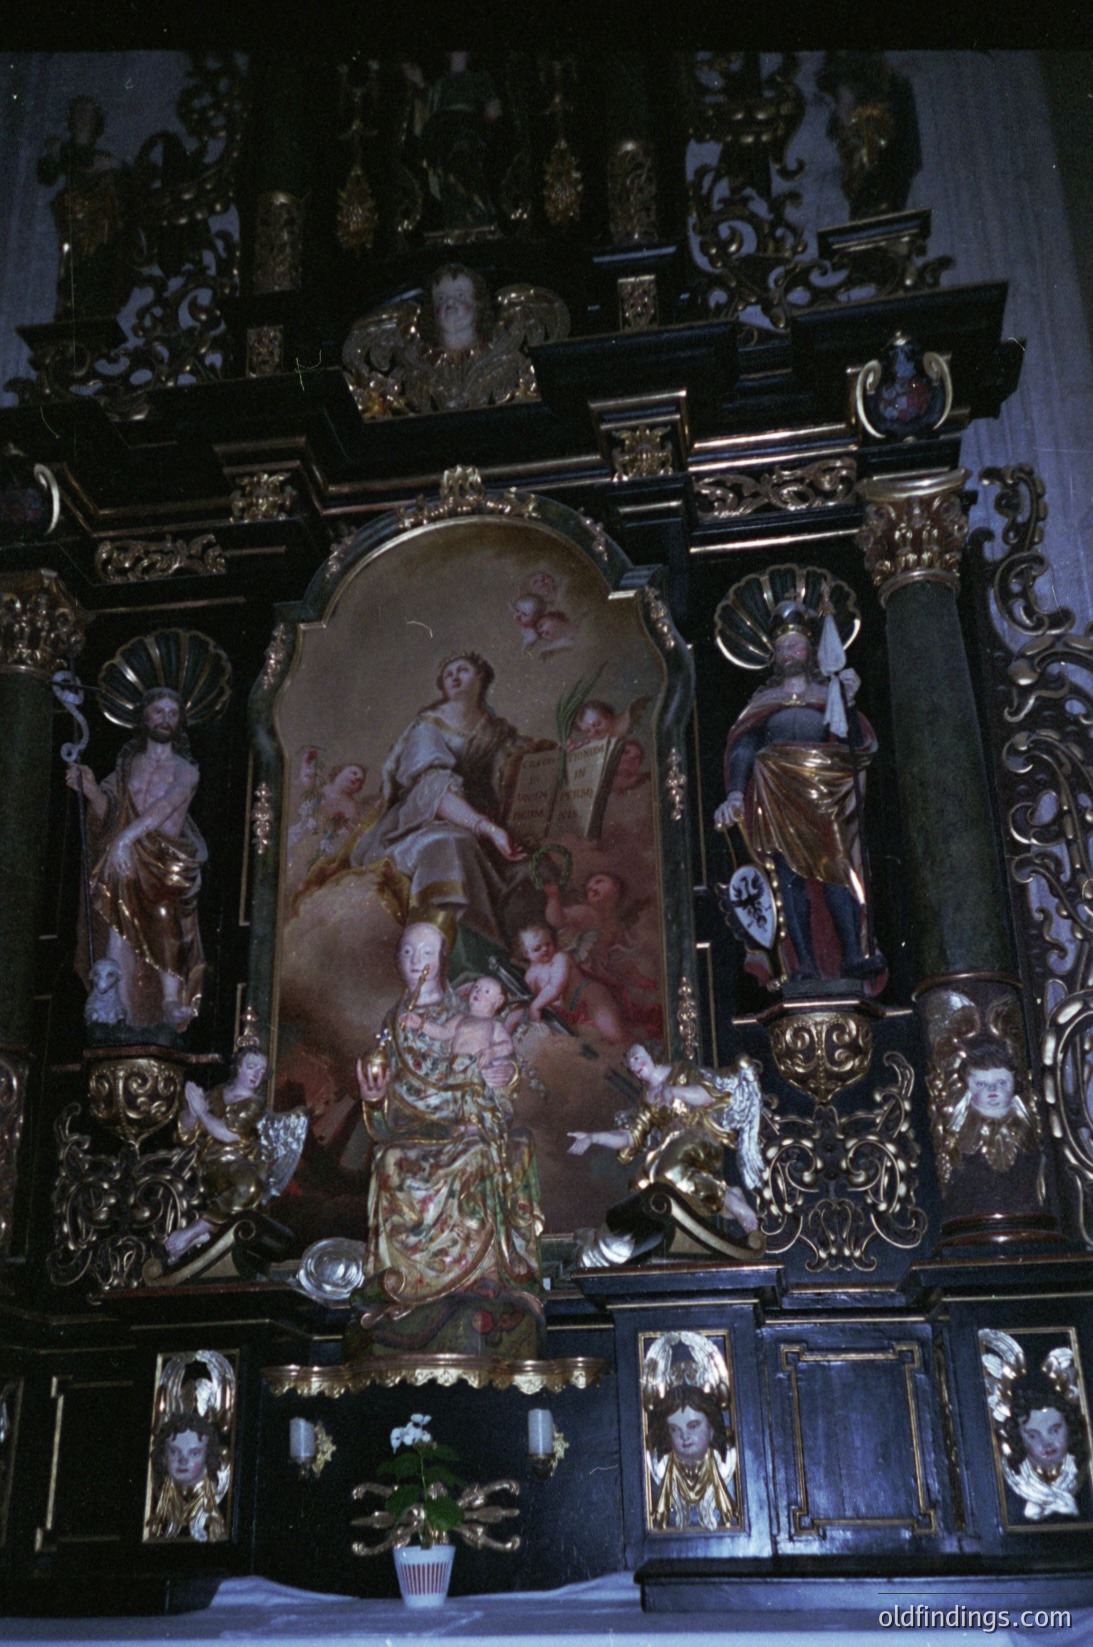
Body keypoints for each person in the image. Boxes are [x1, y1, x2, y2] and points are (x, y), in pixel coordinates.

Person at [354, 921, 543, 1322]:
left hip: (466, 1120)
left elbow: (501, 1061)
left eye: (424, 953)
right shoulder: (393, 1023)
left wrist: (503, 1077)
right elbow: (388, 1094)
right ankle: (402, 1286)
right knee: (388, 1162)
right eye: (406, 952)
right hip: (414, 1130)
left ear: (441, 961)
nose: (414, 961)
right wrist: (374, 1100)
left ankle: (477, 1276)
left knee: (476, 1156)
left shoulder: (464, 1009)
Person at [714, 601, 881, 986]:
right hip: (776, 796)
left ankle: (854, 956)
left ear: (810, 650)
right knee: (787, 878)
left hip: (822, 794)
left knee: (836, 870)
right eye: (782, 648)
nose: (789, 653)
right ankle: (802, 963)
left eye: (796, 646)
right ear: (774, 656)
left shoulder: (830, 694)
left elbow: (854, 747)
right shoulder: (763, 704)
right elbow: (744, 746)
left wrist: (850, 704)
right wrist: (736, 793)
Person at [350, 653, 537, 944]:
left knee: (537, 868)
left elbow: (517, 768)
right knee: (449, 845)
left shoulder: (495, 731)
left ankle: (510, 955)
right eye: (448, 672)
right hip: (422, 818)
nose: (454, 676)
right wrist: (488, 828)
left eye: (463, 670)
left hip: (485, 820)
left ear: (481, 678)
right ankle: (457, 951)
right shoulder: (428, 727)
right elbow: (433, 788)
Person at [66, 687, 206, 1031]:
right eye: (159, 711)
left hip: (165, 860)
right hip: (125, 859)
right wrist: (91, 789)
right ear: (145, 717)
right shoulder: (128, 766)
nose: (166, 719)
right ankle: (121, 1009)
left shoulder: (186, 770)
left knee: (165, 919)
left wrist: (126, 840)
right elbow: (109, 812)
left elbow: (164, 807)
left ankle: (171, 1001)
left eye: (173, 713)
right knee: (118, 932)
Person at [568, 1042, 762, 1233]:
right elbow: (629, 1137)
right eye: (630, 1063)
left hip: (701, 1137)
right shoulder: (647, 1099)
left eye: (637, 1058)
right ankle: (713, 1204)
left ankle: (728, 1200)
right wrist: (593, 1138)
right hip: (672, 1146)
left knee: (669, 1169)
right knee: (640, 1185)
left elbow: (708, 1096)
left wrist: (675, 1091)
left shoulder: (681, 1071)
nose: (635, 1066)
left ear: (652, 1054)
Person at [163, 1049, 270, 1263]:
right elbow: (184, 1135)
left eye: (262, 1070)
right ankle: (205, 1234)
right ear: (238, 1068)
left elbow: (228, 1135)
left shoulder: (254, 1104)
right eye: (251, 1067)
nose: (257, 1074)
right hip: (207, 1165)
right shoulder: (215, 1095)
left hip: (237, 1163)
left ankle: (195, 1232)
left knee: (250, 1188)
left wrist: (202, 1112)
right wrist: (192, 1112)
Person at [646, 1382, 738, 1531]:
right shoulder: (660, 1466)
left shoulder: (724, 1464)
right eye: (675, 1430)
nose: (684, 1436)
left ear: (711, 1429)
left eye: (693, 1426)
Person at [516, 921, 627, 1044]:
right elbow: (528, 997)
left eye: (548, 944)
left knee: (615, 1036)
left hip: (589, 996)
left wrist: (536, 1005)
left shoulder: (560, 958)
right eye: (537, 949)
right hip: (569, 1011)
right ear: (526, 953)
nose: (545, 949)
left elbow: (556, 986)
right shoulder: (530, 975)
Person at [999, 1373, 1088, 1520]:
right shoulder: (1017, 1478)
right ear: (1018, 1438)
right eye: (1033, 1435)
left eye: (1054, 1430)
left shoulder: (1078, 1469)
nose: (1046, 1443)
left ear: (1069, 1427)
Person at [148, 1410, 228, 1542]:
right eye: (174, 1451)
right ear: (163, 1455)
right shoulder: (164, 1496)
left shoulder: (210, 1498)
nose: (183, 1460)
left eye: (194, 1453)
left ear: (207, 1457)